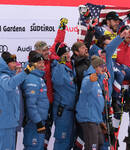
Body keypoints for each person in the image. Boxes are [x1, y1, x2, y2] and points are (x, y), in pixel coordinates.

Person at [34, 17, 68, 149]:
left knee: (52, 128)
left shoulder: (51, 56)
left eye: (47, 49)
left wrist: (62, 26)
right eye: (43, 51)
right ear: (37, 52)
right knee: (43, 128)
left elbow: (58, 41)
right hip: (42, 103)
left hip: (54, 101)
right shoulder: (35, 64)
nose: (47, 52)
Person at [0, 52, 33, 150]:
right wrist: (25, 72)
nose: (15, 65)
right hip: (4, 123)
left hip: (10, 122)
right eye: (13, 63)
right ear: (6, 64)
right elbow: (9, 84)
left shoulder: (10, 76)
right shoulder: (3, 77)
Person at [75, 55, 106, 150]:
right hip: (88, 119)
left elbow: (96, 103)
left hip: (95, 119)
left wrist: (100, 121)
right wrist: (91, 81)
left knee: (100, 143)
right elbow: (85, 89)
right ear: (95, 67)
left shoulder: (97, 81)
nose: (103, 68)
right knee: (92, 146)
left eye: (104, 66)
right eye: (101, 66)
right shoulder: (88, 79)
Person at [22, 51, 49, 150]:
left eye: (43, 62)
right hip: (33, 122)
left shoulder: (38, 77)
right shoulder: (31, 78)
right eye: (39, 63)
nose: (42, 65)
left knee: (38, 147)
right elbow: (31, 104)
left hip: (40, 120)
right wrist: (38, 122)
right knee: (33, 147)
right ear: (33, 64)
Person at [51, 43, 76, 150]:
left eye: (68, 52)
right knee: (62, 141)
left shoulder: (71, 67)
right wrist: (61, 62)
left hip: (72, 111)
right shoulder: (57, 66)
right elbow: (57, 81)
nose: (68, 55)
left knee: (70, 142)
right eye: (65, 53)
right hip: (63, 111)